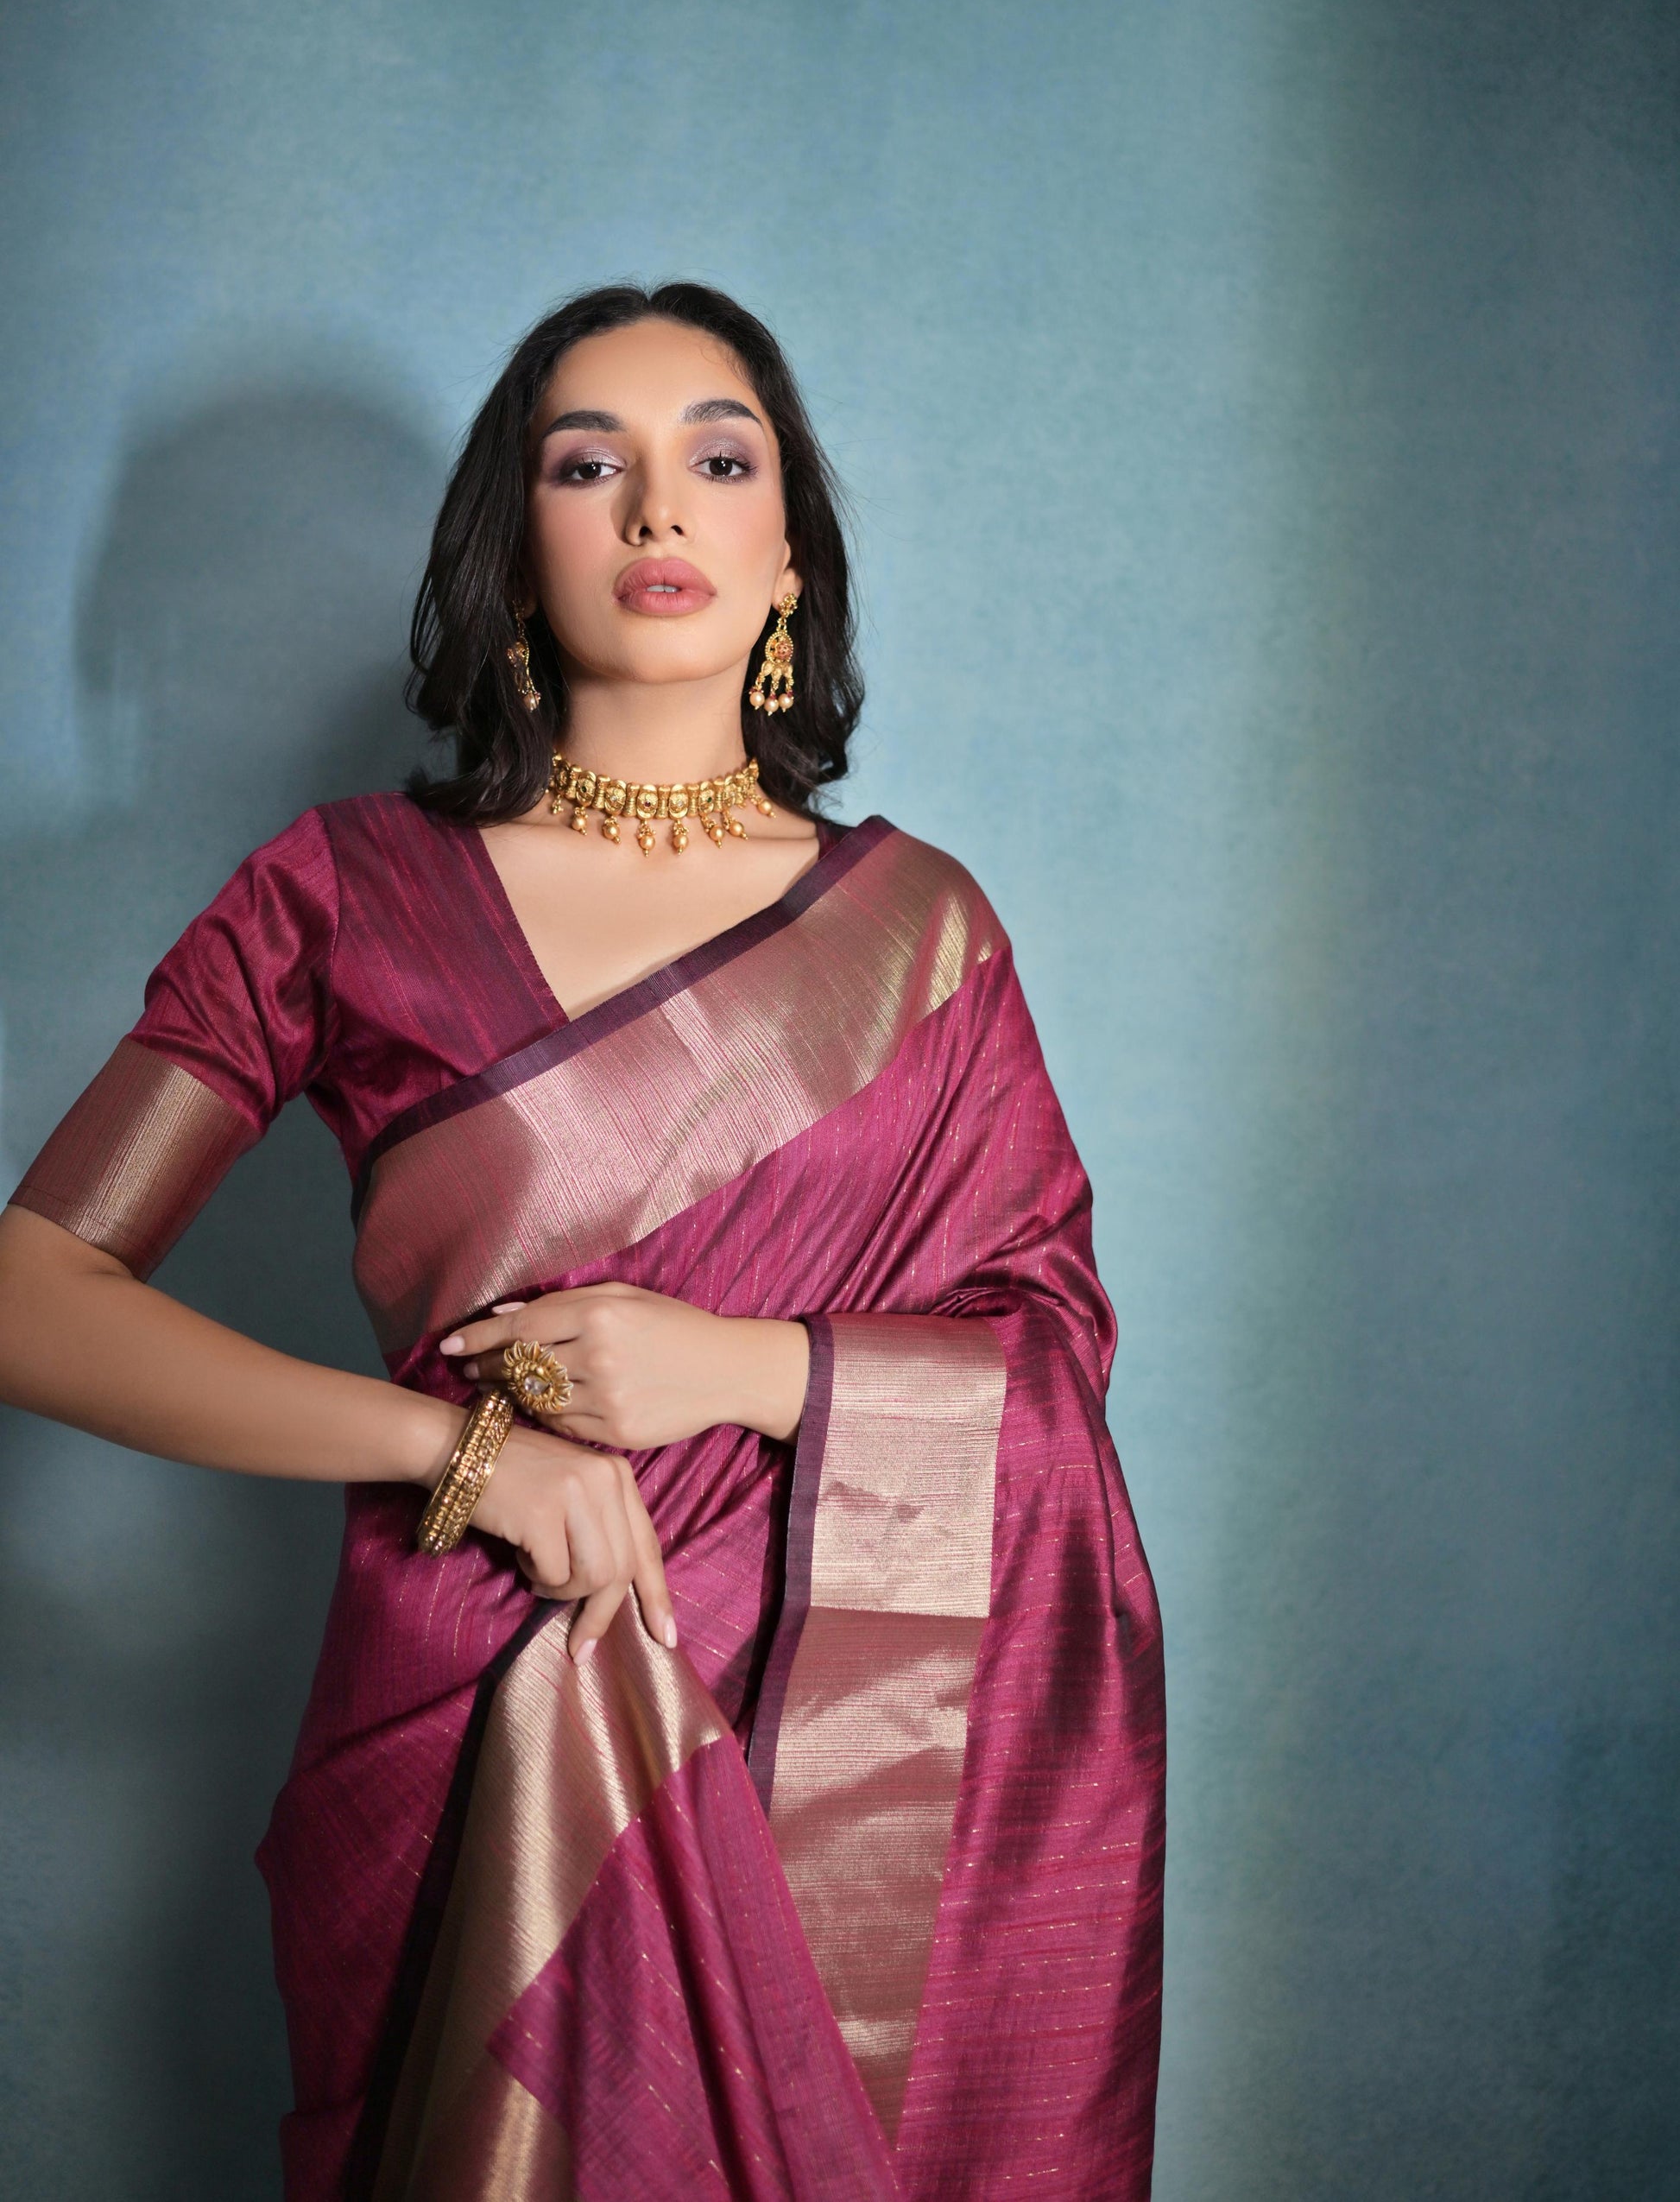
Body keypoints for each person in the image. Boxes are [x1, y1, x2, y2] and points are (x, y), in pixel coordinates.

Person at [0, 282, 1165, 2199]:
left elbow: (1049, 1363)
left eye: (719, 458)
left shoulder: (926, 937)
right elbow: (35, 1295)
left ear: (788, 559)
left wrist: (737, 1368)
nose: (655, 506)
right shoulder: (342, 895)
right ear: (514, 548)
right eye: (584, 464)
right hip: (458, 1715)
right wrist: (460, 1451)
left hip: (820, 1752)